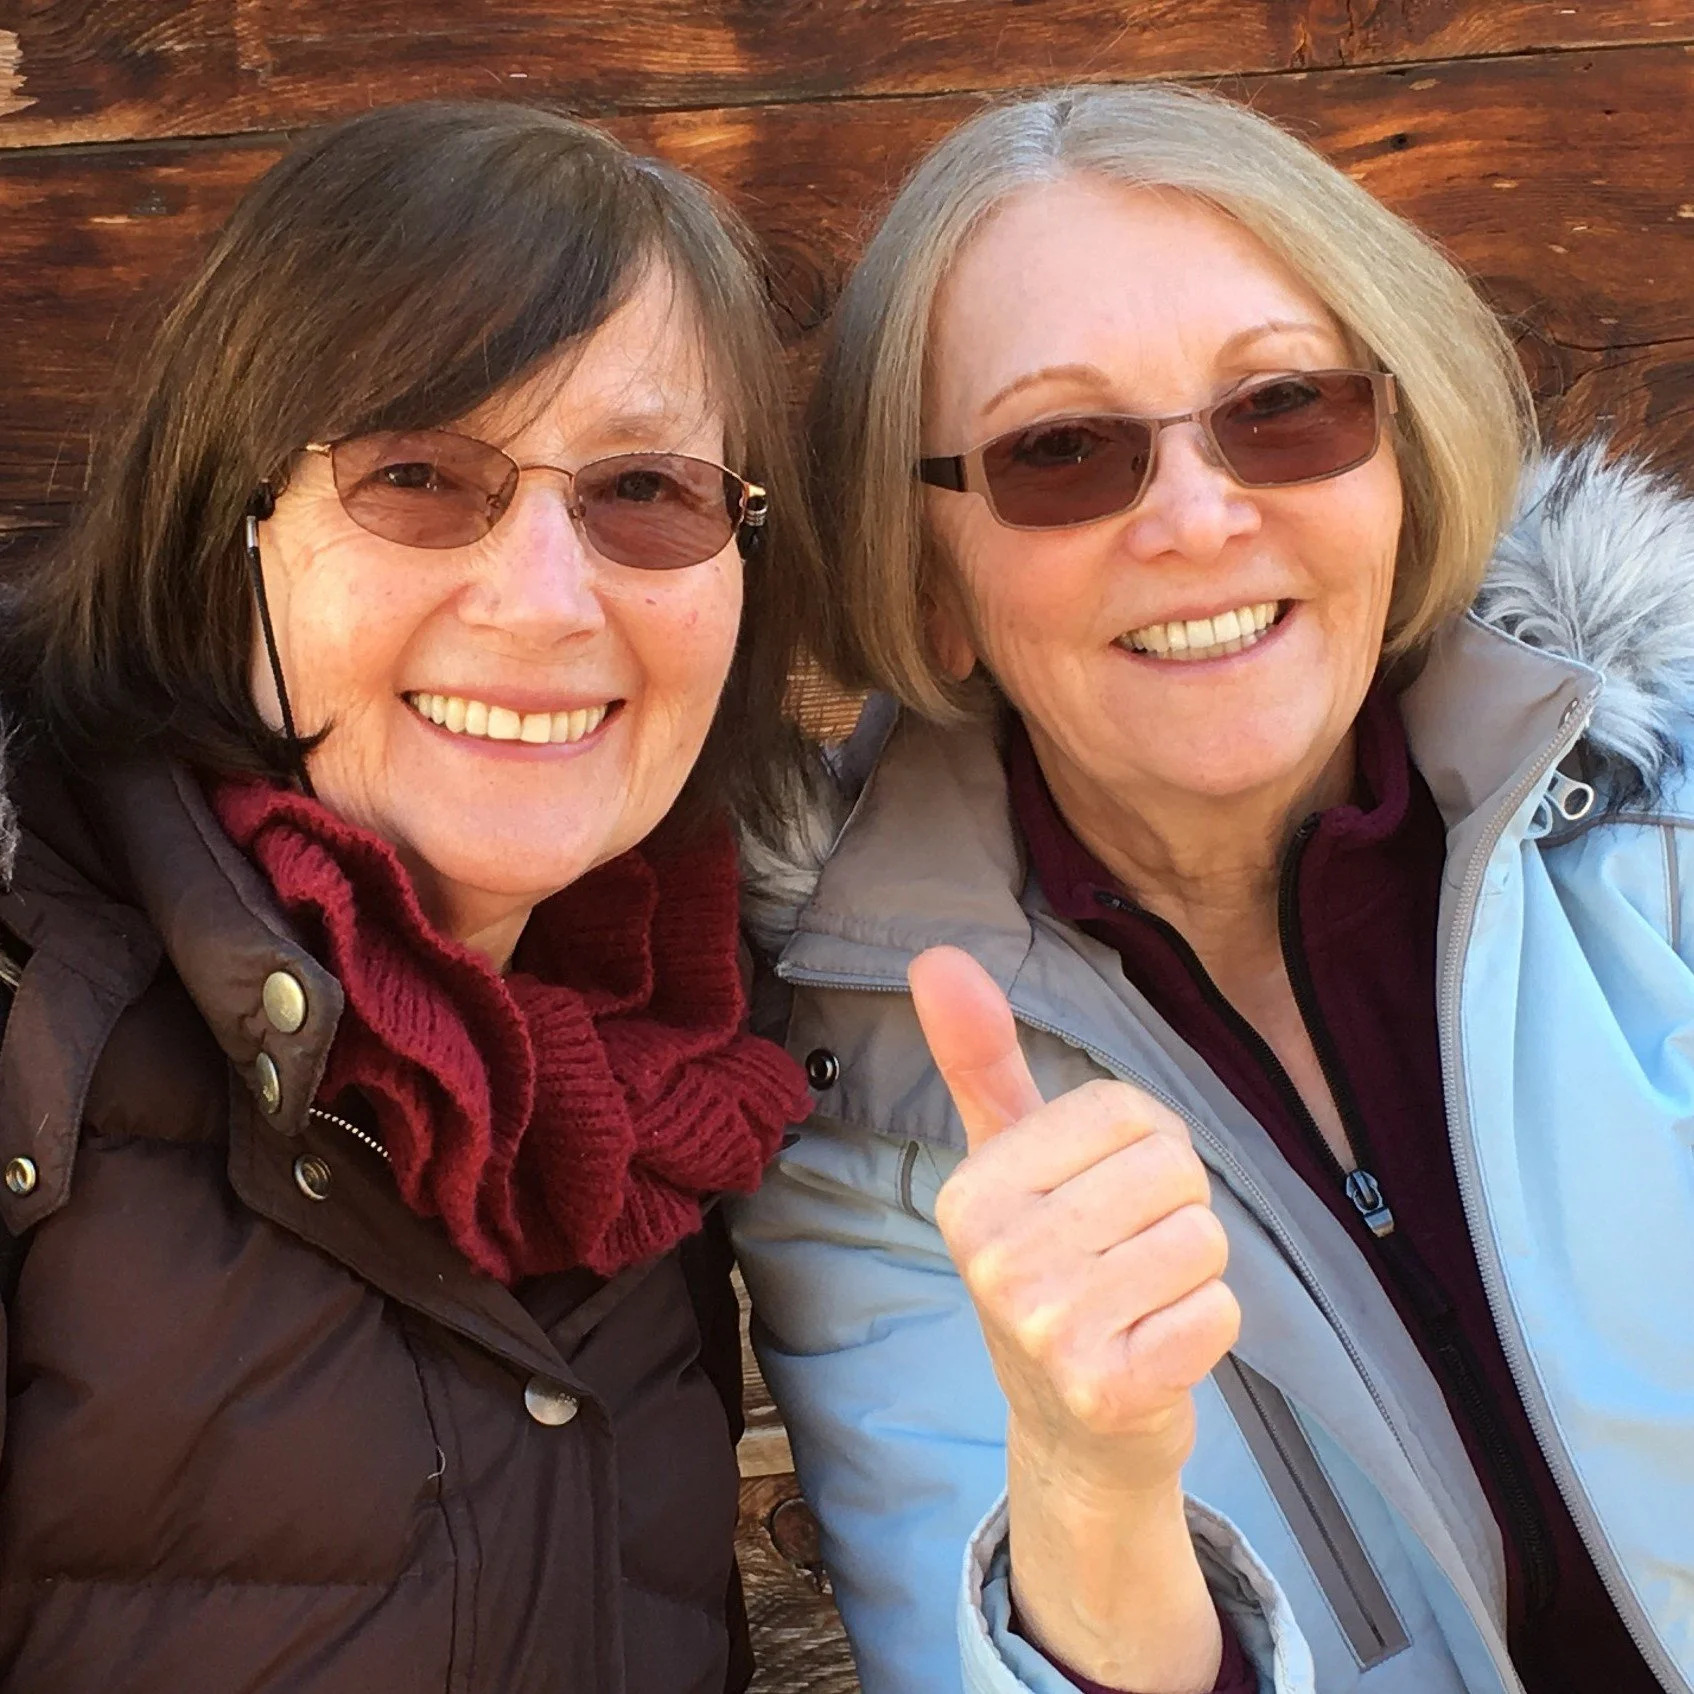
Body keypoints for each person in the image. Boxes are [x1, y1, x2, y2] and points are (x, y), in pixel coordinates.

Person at [734, 84, 1694, 1694]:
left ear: (1399, 462)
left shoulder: (1660, 815)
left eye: (1281, 405)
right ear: (929, 579)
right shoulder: (868, 1107)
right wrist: (1085, 1486)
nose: (1195, 516)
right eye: (1059, 451)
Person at [0, 101, 827, 1694]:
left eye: (644, 490)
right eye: (416, 474)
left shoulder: (694, 1042)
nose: (543, 599)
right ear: (230, 527)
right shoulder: (34, 993)